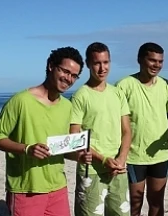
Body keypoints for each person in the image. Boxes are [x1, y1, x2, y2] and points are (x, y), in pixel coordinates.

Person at [0, 47, 88, 216]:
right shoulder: (20, 101)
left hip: (58, 188)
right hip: (26, 189)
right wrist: (28, 149)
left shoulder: (67, 106)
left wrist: (78, 156)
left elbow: (61, 149)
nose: (69, 79)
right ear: (51, 66)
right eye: (65, 71)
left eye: (74, 75)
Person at [70, 42, 132, 216]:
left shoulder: (117, 93)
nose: (102, 68)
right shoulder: (81, 95)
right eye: (97, 63)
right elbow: (75, 136)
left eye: (106, 62)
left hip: (118, 169)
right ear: (89, 64)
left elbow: (127, 131)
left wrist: (121, 158)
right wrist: (103, 159)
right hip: (92, 169)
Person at [116, 42, 168, 216]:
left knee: (157, 203)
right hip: (134, 155)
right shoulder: (124, 85)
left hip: (160, 155)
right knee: (135, 204)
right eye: (152, 60)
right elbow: (118, 121)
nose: (157, 65)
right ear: (140, 60)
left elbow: (164, 116)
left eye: (160, 61)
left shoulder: (166, 86)